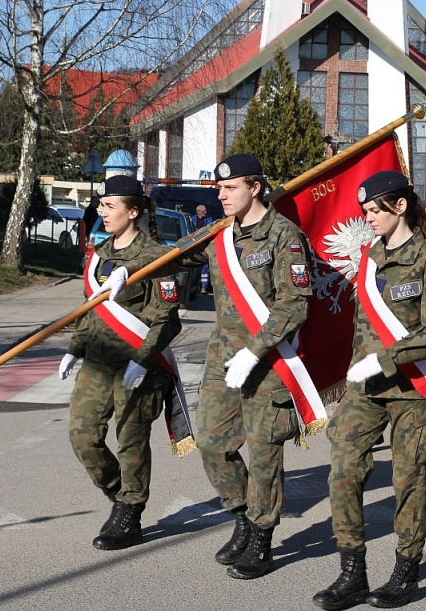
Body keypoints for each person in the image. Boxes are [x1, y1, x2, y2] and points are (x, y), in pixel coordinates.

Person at [93, 153, 313, 578]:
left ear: (256, 187)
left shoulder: (284, 237)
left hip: (267, 363)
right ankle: (242, 518)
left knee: (265, 452)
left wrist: (255, 350)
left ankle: (263, 538)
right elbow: (173, 256)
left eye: (230, 189)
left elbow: (294, 303)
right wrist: (128, 267)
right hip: (223, 361)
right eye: (219, 189)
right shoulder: (220, 235)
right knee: (213, 443)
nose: (222, 196)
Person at [313, 171, 426, 611]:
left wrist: (386, 358)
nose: (369, 217)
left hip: (411, 387)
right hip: (366, 386)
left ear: (400, 207)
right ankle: (352, 571)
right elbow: (362, 327)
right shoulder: (370, 259)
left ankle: (405, 572)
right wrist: (348, 381)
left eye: (376, 209)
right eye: (366, 210)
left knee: (409, 480)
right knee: (342, 469)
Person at [60, 175, 188, 551]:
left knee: (131, 440)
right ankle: (121, 495)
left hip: (138, 365)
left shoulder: (157, 258)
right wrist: (75, 347)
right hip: (98, 361)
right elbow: (90, 311)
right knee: (83, 436)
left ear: (133, 211)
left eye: (110, 206)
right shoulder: (99, 255)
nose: (103, 212)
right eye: (101, 205)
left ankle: (130, 513)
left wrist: (143, 359)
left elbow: (168, 319)